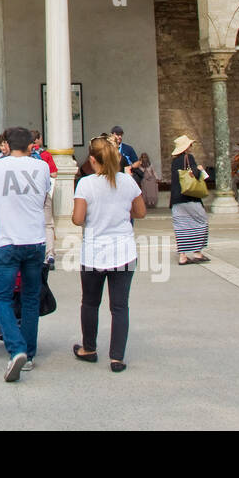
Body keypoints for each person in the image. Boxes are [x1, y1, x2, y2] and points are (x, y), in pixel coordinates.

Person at [0, 126, 52, 383]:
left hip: (8, 240)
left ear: (7, 145)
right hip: (35, 240)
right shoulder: (41, 167)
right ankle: (29, 353)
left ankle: (16, 347)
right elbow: (44, 197)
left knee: (1, 298)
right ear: (31, 145)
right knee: (31, 297)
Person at [72, 136, 146, 373]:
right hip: (123, 249)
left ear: (93, 160)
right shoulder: (128, 182)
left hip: (95, 252)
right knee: (120, 306)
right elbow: (141, 212)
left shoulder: (86, 184)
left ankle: (89, 348)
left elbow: (78, 219)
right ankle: (117, 357)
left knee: (90, 302)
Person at [169, 136, 211, 265]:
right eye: (190, 145)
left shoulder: (174, 162)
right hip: (189, 197)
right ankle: (197, 252)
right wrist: (199, 169)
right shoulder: (189, 158)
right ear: (186, 147)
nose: (191, 147)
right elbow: (196, 175)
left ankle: (183, 256)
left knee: (181, 227)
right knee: (201, 222)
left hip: (176, 199)